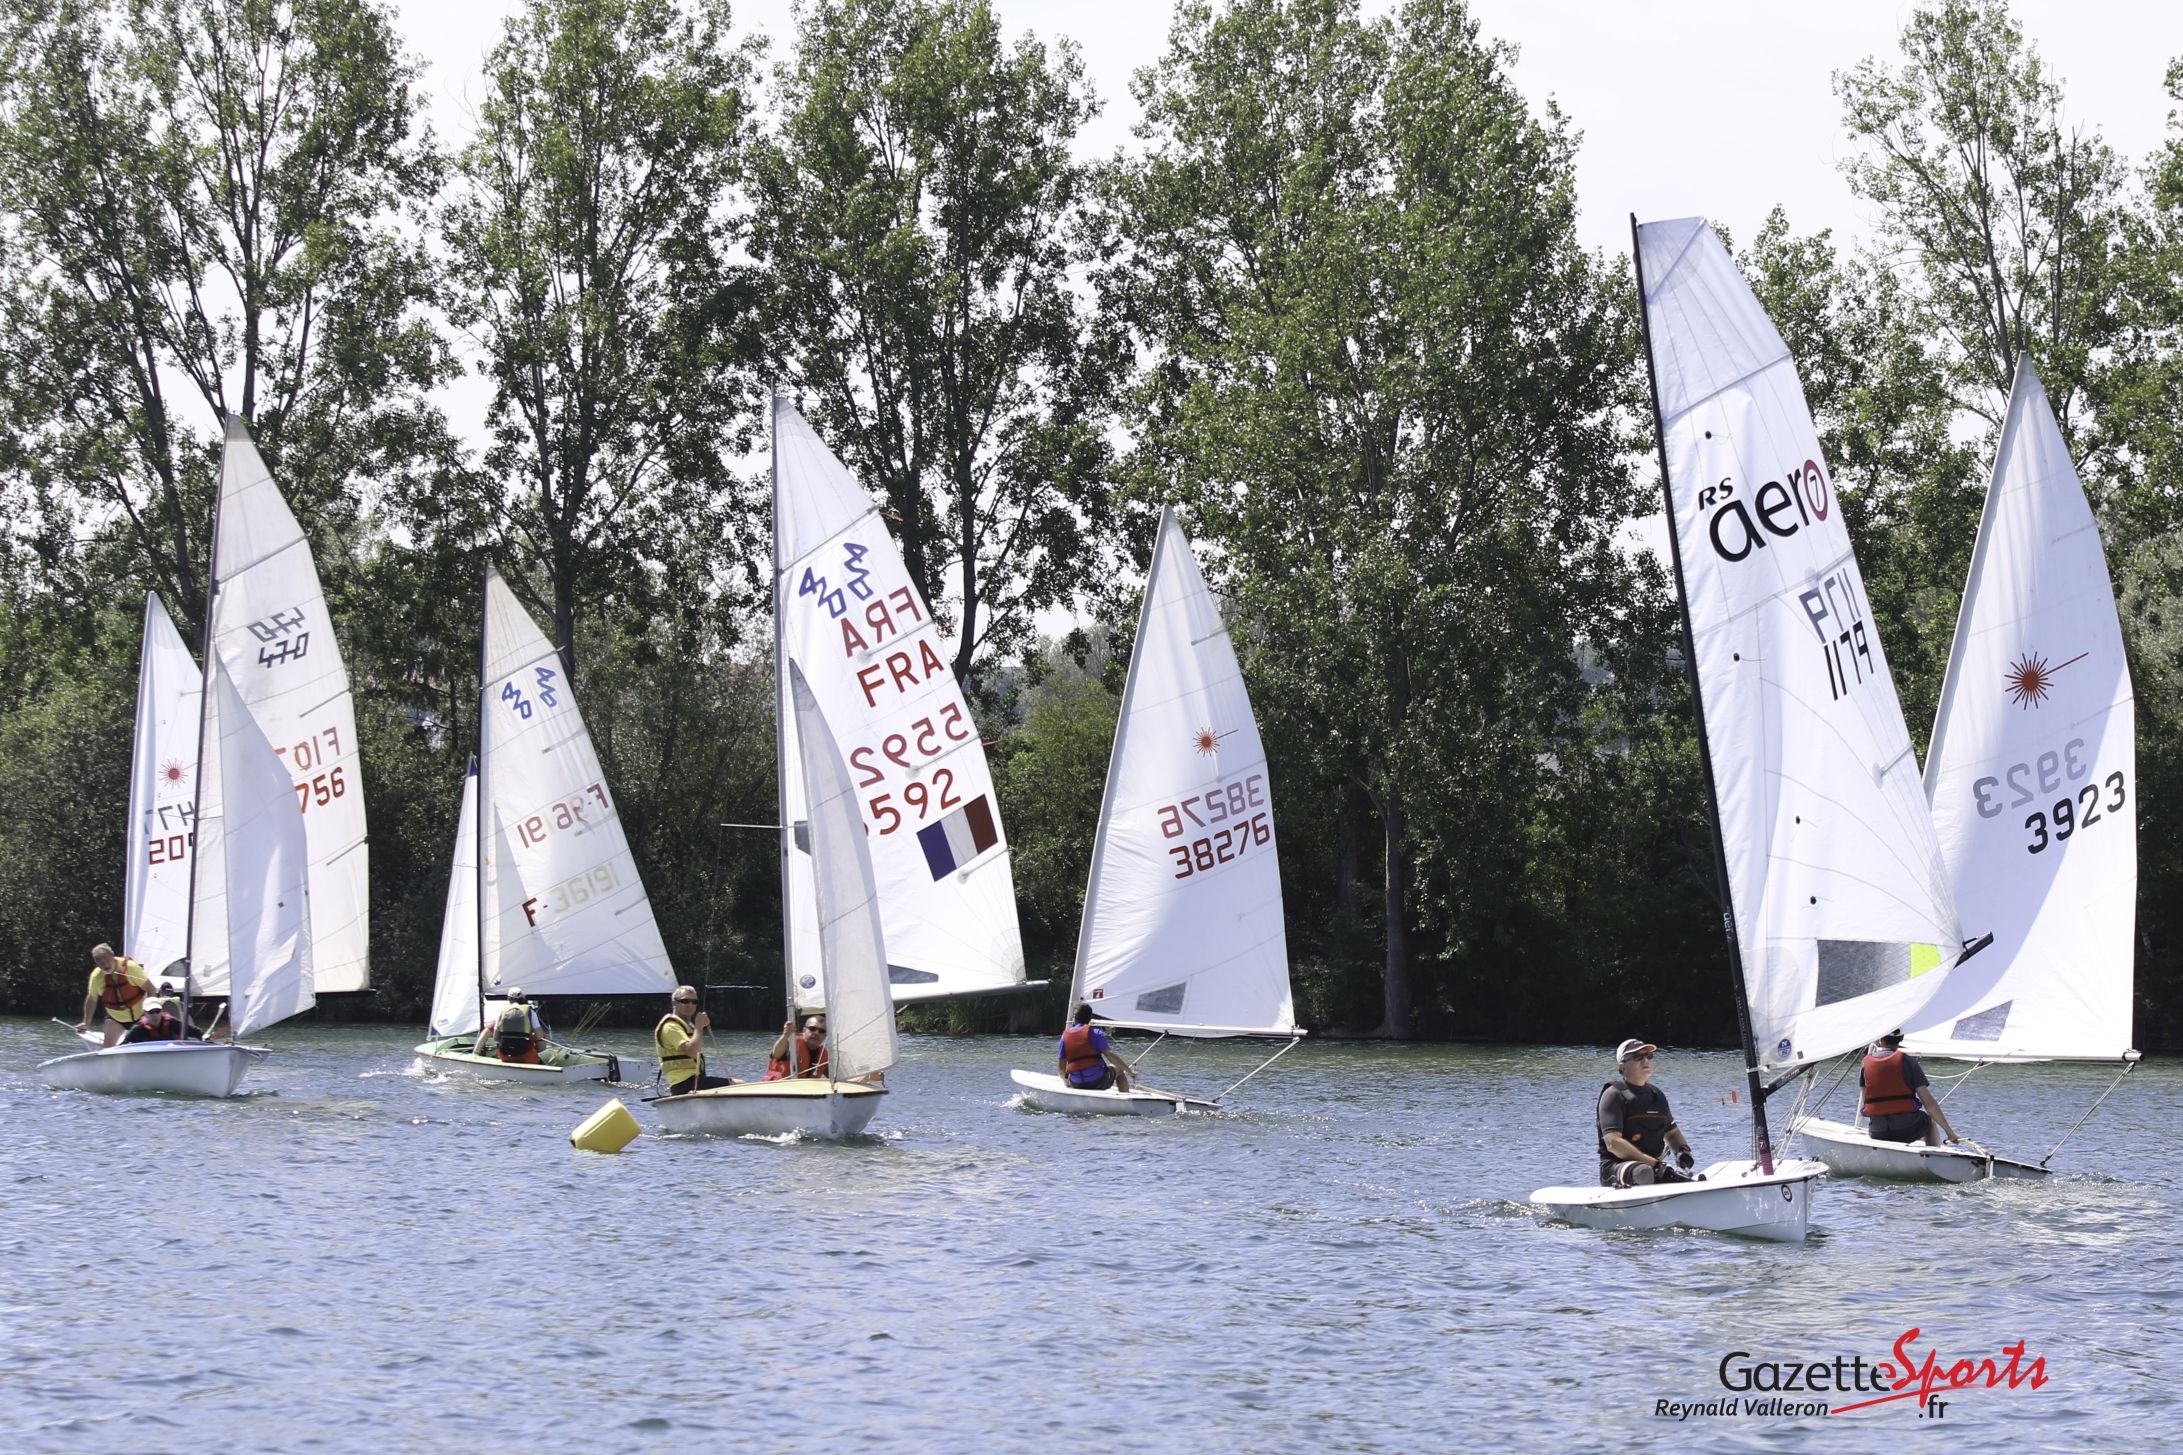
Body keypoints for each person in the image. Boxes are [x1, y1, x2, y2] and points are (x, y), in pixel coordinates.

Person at [1597, 1038, 1696, 1187]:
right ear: (1622, 1066)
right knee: (1643, 1172)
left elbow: (1672, 1133)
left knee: (1675, 1177)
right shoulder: (1613, 1095)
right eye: (1638, 1057)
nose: (1645, 1060)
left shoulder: (1657, 1095)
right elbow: (1613, 1143)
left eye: (1649, 1056)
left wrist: (1683, 1151)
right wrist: (1654, 1164)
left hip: (1653, 1166)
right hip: (1615, 1167)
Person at [1860, 1030, 1962, 1146]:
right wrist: (1950, 1132)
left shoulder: (1866, 1063)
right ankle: (1932, 1154)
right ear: (1901, 1039)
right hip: (1907, 1129)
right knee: (1930, 1121)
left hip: (1877, 1131)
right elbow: (1929, 1104)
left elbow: (1866, 1100)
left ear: (1881, 1040)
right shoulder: (1908, 1061)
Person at [656, 987, 735, 1095]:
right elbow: (692, 1051)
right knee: (739, 1085)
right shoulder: (671, 1027)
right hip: (684, 1083)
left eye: (694, 1002)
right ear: (674, 1003)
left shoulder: (687, 1026)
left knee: (741, 1084)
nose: (690, 1005)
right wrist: (699, 1027)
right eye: (685, 1001)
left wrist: (697, 1027)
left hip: (695, 1080)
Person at [77, 944, 155, 1048]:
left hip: (140, 1016)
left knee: (143, 1044)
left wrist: (149, 1014)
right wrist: (86, 1023)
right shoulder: (96, 977)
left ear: (112, 955)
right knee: (107, 1047)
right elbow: (92, 998)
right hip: (115, 1019)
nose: (105, 965)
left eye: (106, 960)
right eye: (100, 963)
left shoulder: (131, 968)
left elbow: (151, 989)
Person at [1057, 1003, 1134, 1093]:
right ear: (1090, 1018)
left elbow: (1062, 1069)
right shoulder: (1096, 1032)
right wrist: (1130, 1071)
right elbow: (1110, 1056)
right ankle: (1125, 1098)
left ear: (1074, 1018)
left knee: (1071, 1075)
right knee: (1119, 1069)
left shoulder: (1064, 1037)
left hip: (1076, 1083)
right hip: (1098, 1081)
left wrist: (1067, 1083)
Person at [479, 990, 544, 1065]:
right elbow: (540, 1037)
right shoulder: (530, 1012)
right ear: (524, 999)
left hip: (504, 1055)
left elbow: (496, 1038)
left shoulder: (502, 1012)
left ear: (508, 999)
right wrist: (540, 1051)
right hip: (526, 1055)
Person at [766, 1016, 830, 1080]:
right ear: (804, 1030)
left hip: (805, 1086)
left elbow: (832, 1075)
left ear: (825, 1036)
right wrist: (785, 1035)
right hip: (780, 1085)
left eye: (821, 1031)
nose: (816, 1033)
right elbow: (776, 1055)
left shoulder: (824, 1055)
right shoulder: (791, 1043)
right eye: (812, 1029)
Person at [120, 995, 191, 1045]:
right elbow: (123, 1045)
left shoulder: (172, 1023)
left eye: (157, 1011)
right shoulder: (138, 1029)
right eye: (151, 1012)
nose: (155, 1015)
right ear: (144, 1013)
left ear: (162, 1011)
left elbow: (194, 1031)